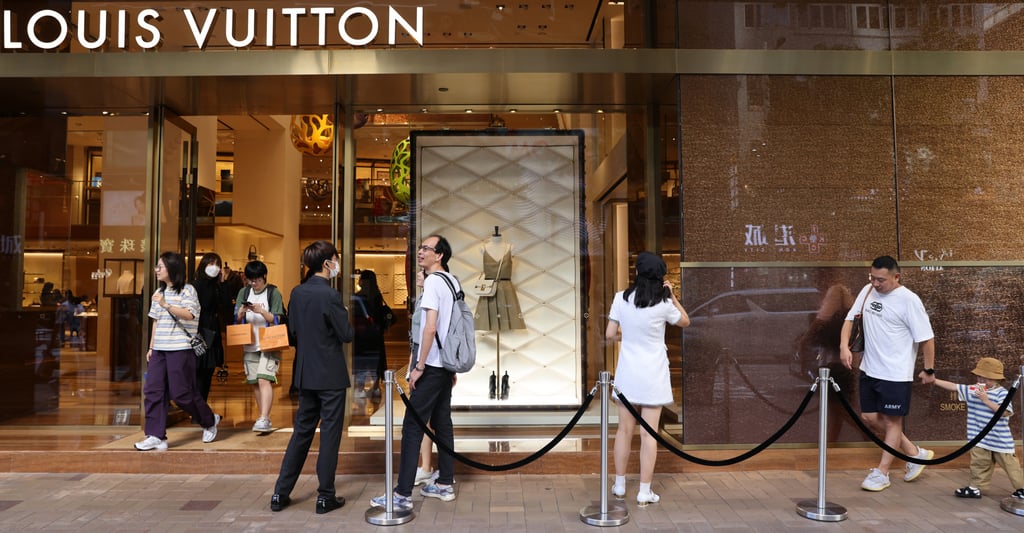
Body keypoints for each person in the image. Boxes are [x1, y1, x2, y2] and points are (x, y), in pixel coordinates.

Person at [371, 235, 458, 510]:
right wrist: (450, 365)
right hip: (445, 365)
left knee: (412, 426)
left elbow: (429, 328)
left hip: (431, 365)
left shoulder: (434, 282)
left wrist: (418, 366)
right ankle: (445, 483)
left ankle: (402, 495)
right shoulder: (452, 281)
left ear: (439, 255)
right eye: (420, 248)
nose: (420, 252)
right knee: (442, 421)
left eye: (426, 249)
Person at [840, 255, 936, 492]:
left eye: (881, 279)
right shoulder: (867, 290)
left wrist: (929, 369)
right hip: (870, 369)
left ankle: (882, 472)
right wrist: (844, 346)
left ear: (896, 277)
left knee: (893, 422)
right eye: (872, 277)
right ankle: (914, 453)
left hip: (896, 373)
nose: (876, 283)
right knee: (870, 418)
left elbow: (927, 338)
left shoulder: (909, 300)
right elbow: (850, 319)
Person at [271, 241, 353, 515]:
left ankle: (280, 493)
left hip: (305, 374)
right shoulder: (330, 295)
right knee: (329, 435)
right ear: (328, 262)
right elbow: (346, 334)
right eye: (336, 259)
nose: (337, 263)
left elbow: (292, 333)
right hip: (330, 374)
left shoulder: (297, 292)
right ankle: (325, 495)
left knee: (301, 434)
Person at [605, 251, 690, 505]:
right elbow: (686, 321)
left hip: (628, 372)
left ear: (637, 273)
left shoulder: (621, 298)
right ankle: (644, 490)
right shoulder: (663, 304)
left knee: (623, 431)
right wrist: (673, 297)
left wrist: (626, 338)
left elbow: (610, 334)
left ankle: (620, 485)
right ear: (659, 278)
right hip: (653, 374)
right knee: (648, 435)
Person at [135, 251, 221, 451]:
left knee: (181, 393)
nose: (157, 270)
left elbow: (190, 315)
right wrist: (151, 346)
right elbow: (155, 321)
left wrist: (167, 305)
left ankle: (209, 420)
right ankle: (155, 435)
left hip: (180, 348)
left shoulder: (188, 291)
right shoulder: (159, 291)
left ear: (172, 269)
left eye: (160, 267)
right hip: (160, 349)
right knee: (153, 391)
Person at [931, 357, 1024, 500]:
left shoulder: (1002, 393)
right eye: (980, 377)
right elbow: (955, 386)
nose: (982, 381)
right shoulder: (974, 390)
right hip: (979, 438)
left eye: (987, 379)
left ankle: (1021, 489)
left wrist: (986, 400)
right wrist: (934, 381)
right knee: (979, 464)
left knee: (1011, 466)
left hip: (1000, 440)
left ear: (997, 379)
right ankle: (975, 488)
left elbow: (1004, 412)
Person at [235, 260, 286, 432]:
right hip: (249, 342)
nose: (253, 283)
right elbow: (237, 319)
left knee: (264, 378)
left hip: (269, 343)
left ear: (264, 277)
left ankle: (264, 418)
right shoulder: (244, 292)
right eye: (250, 280)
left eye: (256, 280)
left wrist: (262, 311)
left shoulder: (273, 293)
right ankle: (264, 416)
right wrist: (242, 312)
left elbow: (278, 318)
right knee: (255, 381)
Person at [192, 253, 228, 402]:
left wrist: (223, 281)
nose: (215, 268)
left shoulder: (218, 286)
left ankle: (201, 406)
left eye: (217, 265)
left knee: (209, 370)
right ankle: (197, 408)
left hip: (213, 332)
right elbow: (204, 304)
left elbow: (226, 305)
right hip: (199, 332)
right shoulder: (195, 285)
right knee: (198, 370)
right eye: (211, 264)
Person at [352, 269, 388, 398]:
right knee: (376, 362)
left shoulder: (357, 297)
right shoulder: (377, 297)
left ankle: (360, 388)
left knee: (361, 362)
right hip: (376, 335)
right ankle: (376, 387)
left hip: (361, 335)